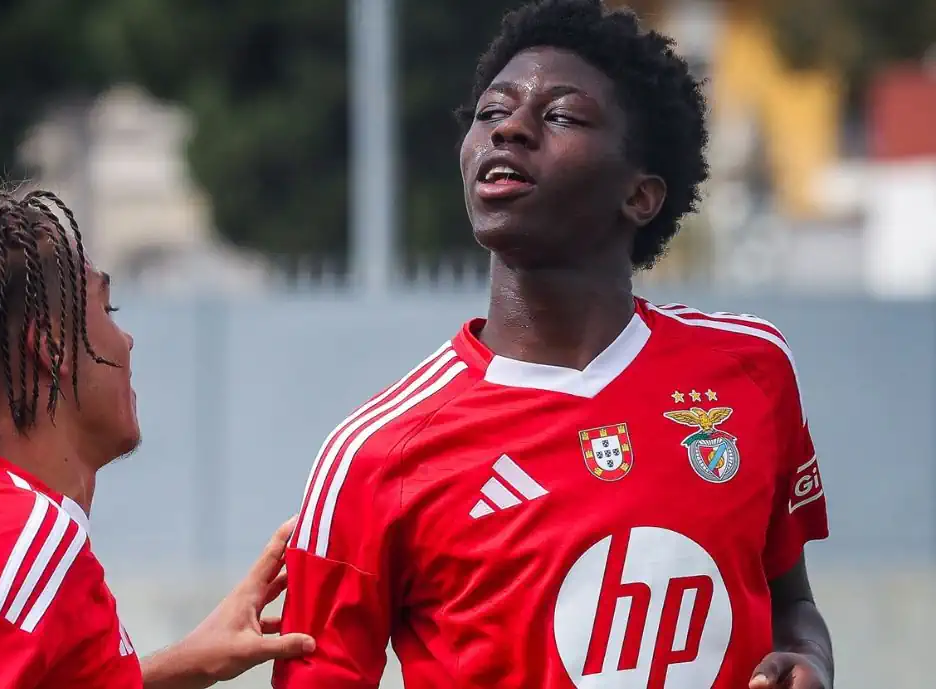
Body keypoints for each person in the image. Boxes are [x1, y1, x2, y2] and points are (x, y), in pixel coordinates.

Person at [274, 1, 833, 688]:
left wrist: (809, 662)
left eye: (560, 115)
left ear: (641, 196)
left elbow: (792, 603)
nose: (509, 127)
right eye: (490, 112)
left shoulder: (752, 368)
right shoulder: (375, 456)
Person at [0, 185, 315, 688]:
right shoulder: (15, 533)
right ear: (50, 347)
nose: (127, 339)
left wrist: (191, 661)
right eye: (107, 311)